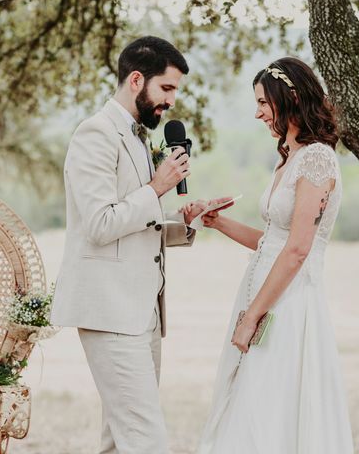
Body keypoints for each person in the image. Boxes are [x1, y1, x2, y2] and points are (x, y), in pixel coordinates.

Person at [51, 36, 212, 454]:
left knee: (119, 443)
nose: (171, 101)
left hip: (144, 315)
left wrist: (184, 222)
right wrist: (157, 186)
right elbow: (101, 224)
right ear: (136, 79)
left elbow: (138, 222)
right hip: (111, 313)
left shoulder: (138, 137)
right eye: (167, 88)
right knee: (146, 440)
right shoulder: (95, 135)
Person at [192, 57, 354, 453]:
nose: (258, 112)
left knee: (268, 409)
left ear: (291, 97)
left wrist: (253, 317)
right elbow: (274, 240)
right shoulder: (290, 159)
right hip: (261, 297)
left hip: (287, 305)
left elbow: (298, 249)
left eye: (264, 102)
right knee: (247, 407)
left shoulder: (317, 159)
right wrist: (217, 223)